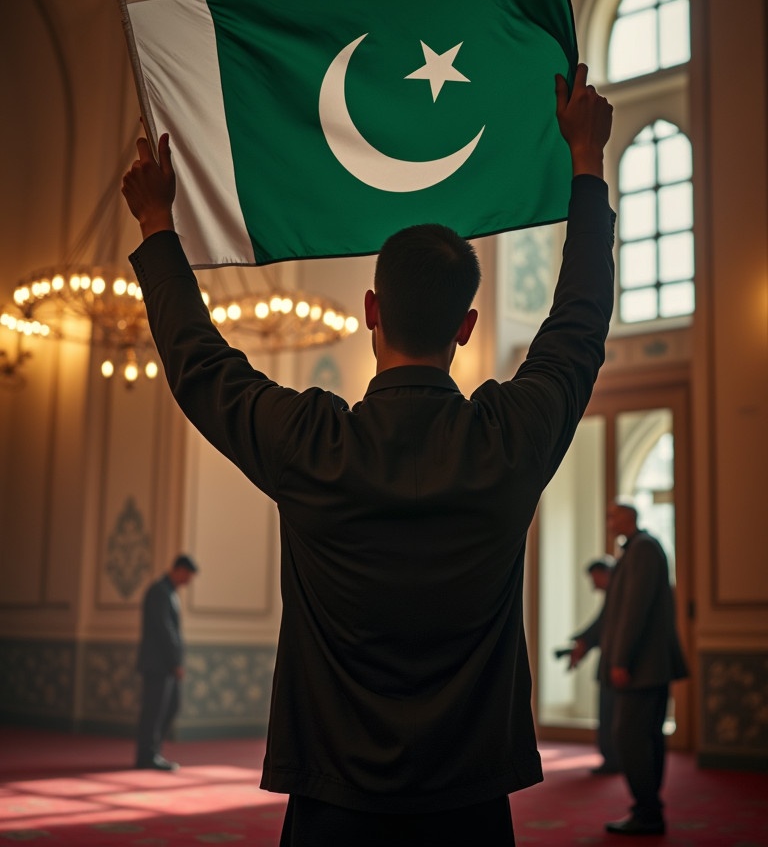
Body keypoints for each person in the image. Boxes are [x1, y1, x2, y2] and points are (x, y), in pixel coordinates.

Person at [121, 63, 614, 846]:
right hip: (469, 804)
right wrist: (585, 165)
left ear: (371, 312)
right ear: (466, 326)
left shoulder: (313, 446)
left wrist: (157, 223)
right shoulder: (508, 440)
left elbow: (199, 365)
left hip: (333, 805)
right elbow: (581, 321)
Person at [600, 501, 688, 836]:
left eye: (613, 516)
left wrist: (621, 659)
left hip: (641, 667)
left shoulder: (643, 549)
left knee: (630, 737)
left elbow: (634, 609)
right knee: (644, 737)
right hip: (647, 665)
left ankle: (648, 812)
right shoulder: (640, 549)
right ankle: (648, 810)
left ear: (630, 518)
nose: (609, 523)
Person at [135, 553, 199, 770]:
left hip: (164, 665)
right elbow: (165, 630)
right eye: (188, 576)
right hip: (158, 665)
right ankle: (147, 756)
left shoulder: (168, 592)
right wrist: (175, 662)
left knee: (169, 707)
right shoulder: (160, 592)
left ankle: (152, 752)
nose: (188, 582)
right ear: (180, 570)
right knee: (154, 711)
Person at [567, 556, 620, 775]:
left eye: (594, 578)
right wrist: (582, 641)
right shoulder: (614, 597)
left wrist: (583, 642)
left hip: (616, 665)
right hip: (613, 664)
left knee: (610, 714)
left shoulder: (619, 597)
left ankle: (614, 759)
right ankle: (613, 758)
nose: (593, 584)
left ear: (605, 574)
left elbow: (601, 628)